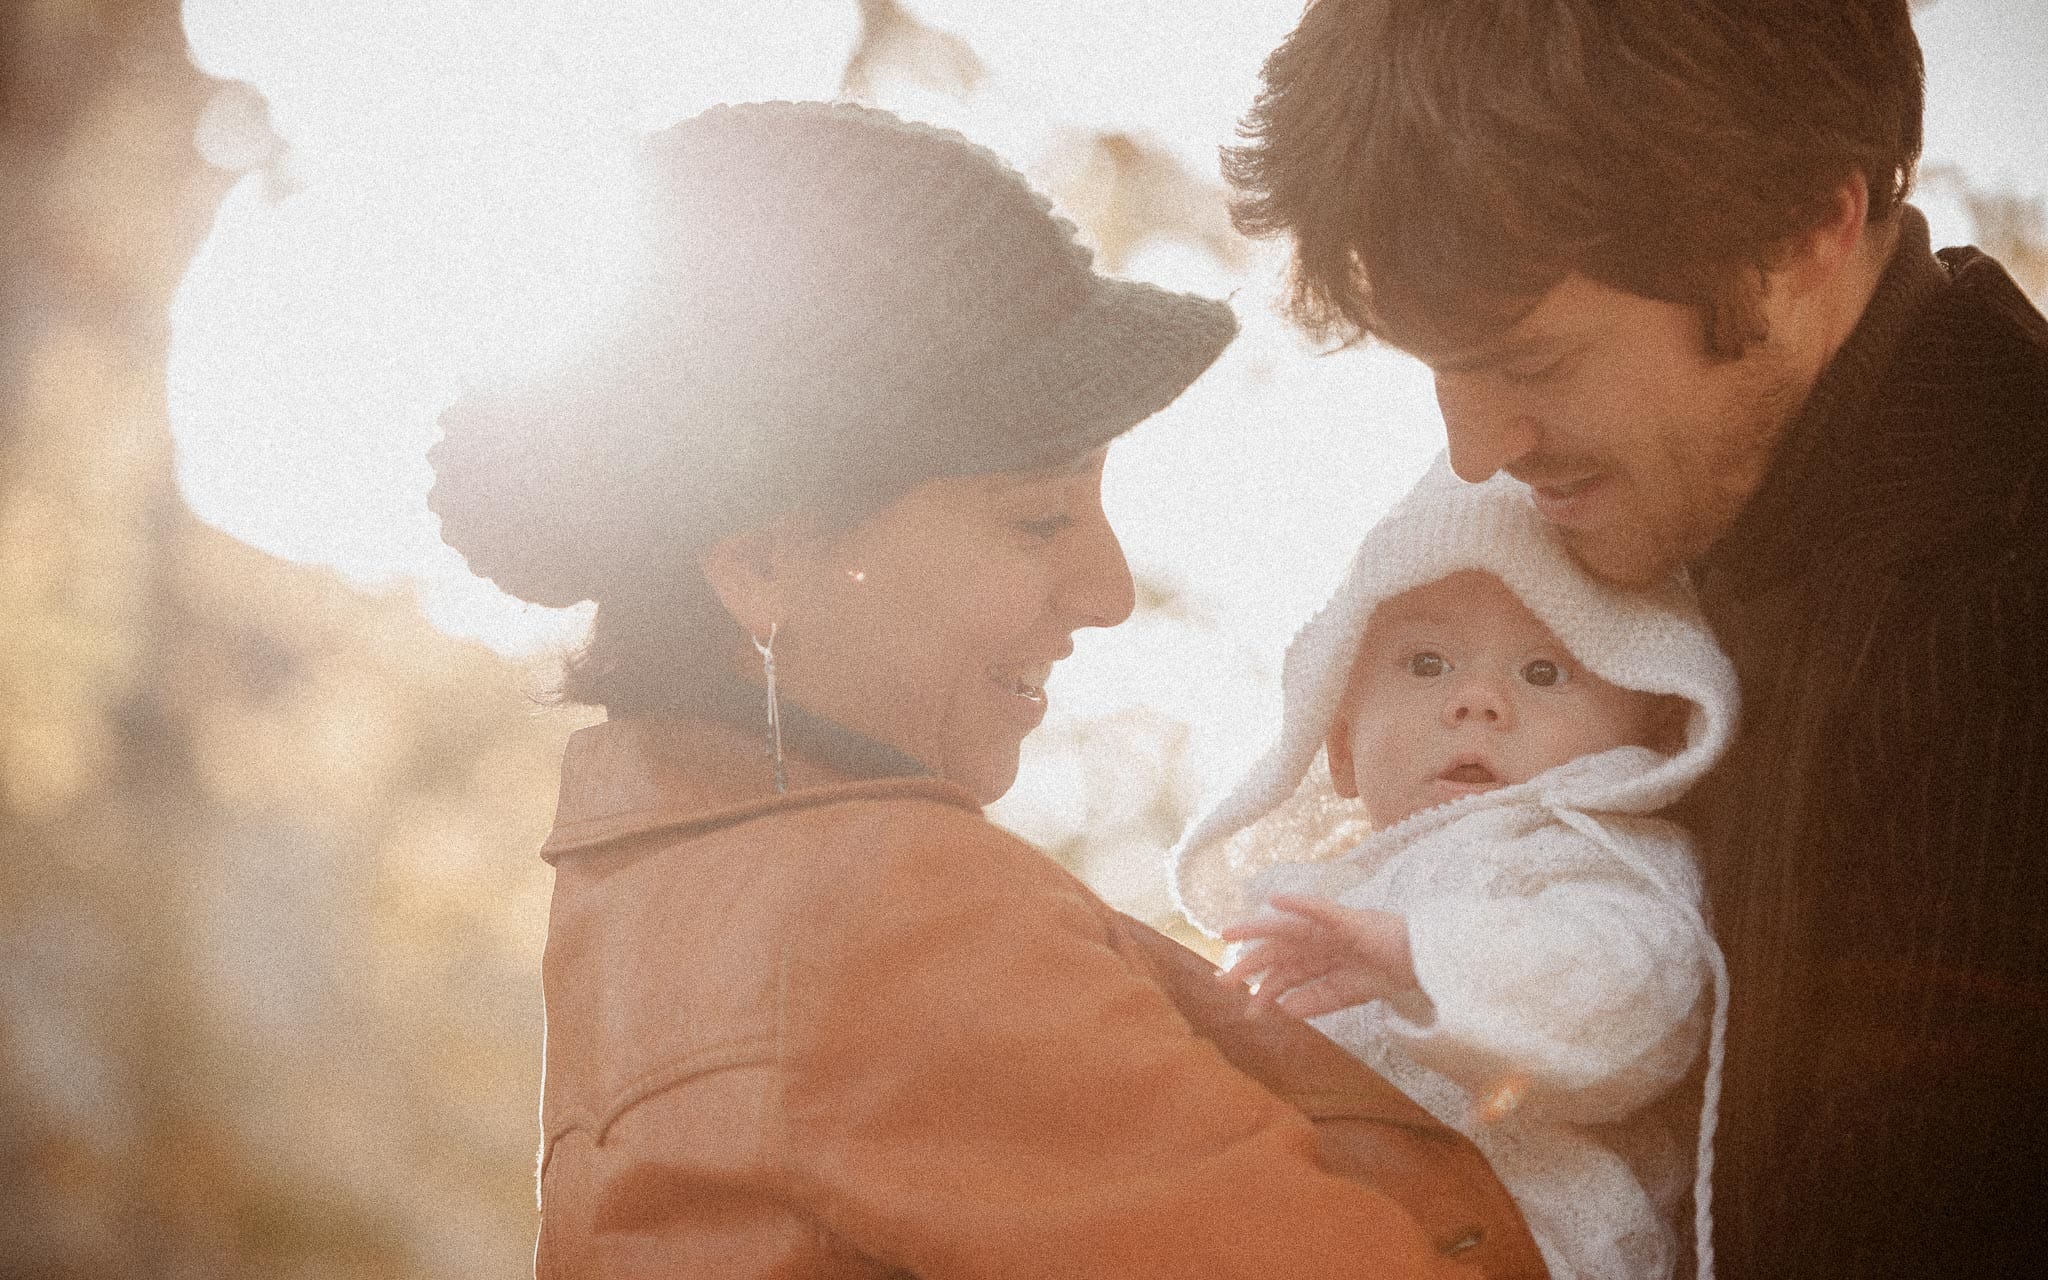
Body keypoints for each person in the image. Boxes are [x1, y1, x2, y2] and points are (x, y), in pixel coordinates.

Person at [426, 101, 1545, 1279]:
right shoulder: (874, 907)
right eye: (1036, 518)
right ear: (759, 562)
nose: (1107, 589)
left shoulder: (654, 899)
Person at [1221, 2, 2048, 1275]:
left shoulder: (2001, 591)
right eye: (1436, 371)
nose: (1474, 451)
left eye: (1532, 360)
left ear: (1801, 228)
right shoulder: (1655, 561)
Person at [1171, 457, 1736, 1280]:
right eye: (1425, 663)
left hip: (1524, 1241)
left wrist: (1424, 961)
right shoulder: (1329, 900)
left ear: (1650, 731)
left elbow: (1635, 1003)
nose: (1476, 702)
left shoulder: (1606, 855)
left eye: (1544, 671)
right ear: (1339, 740)